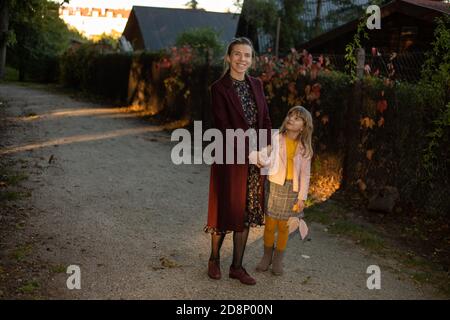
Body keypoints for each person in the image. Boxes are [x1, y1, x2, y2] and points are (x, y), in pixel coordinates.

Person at [204, 37, 272, 285]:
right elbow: (222, 127)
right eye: (237, 54)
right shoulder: (219, 88)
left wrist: (265, 148)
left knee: (245, 211)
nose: (242, 59)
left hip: (255, 160)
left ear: (251, 59)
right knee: (226, 209)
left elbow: (265, 118)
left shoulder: (257, 84)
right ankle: (214, 260)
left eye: (247, 55)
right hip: (229, 157)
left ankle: (237, 267)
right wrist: (249, 152)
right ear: (228, 57)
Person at [253, 105, 313, 275]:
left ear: (303, 126)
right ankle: (266, 257)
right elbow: (268, 156)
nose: (291, 119)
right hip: (274, 185)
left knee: (285, 226)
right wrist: (261, 159)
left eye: (296, 118)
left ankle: (278, 260)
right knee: (270, 225)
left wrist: (302, 197)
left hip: (292, 190)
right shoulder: (277, 138)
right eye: (290, 115)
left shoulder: (305, 148)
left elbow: (305, 175)